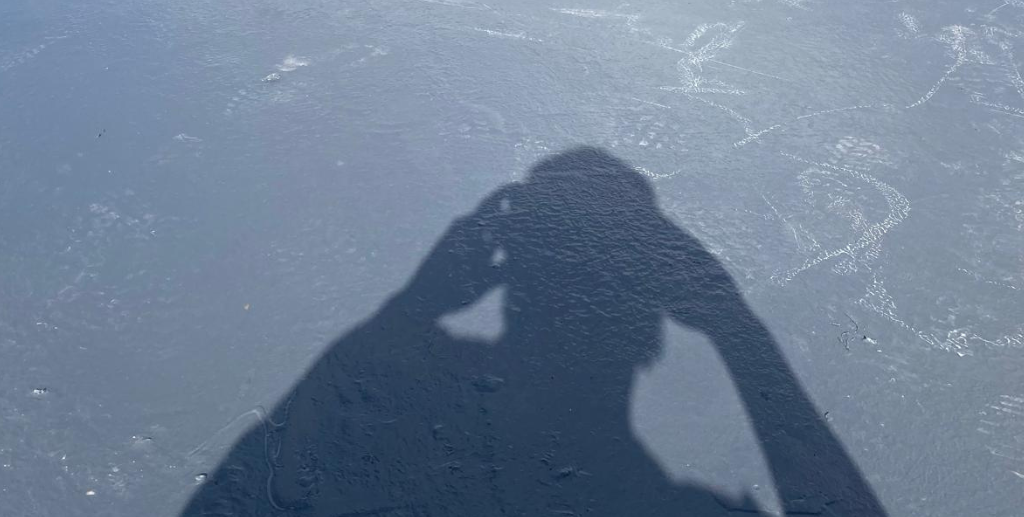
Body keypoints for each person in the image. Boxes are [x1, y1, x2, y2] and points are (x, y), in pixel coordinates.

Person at [182, 147, 886, 516]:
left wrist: (411, 308)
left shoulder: (416, 407)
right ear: (656, 334)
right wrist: (736, 328)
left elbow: (272, 472)